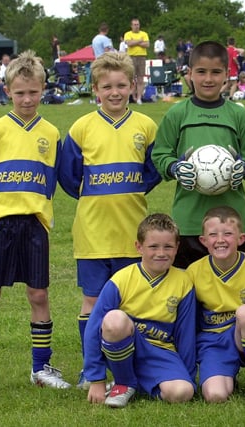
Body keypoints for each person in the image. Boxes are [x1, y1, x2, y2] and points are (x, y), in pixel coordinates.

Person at [0, 50, 70, 392]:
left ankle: (41, 368)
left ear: (43, 89)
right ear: (8, 91)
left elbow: (51, 182)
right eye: (20, 92)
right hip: (1, 224)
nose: (27, 98)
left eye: (33, 92)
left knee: (38, 294)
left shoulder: (50, 133)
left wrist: (37, 208)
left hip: (34, 224)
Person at [58, 51, 161, 389]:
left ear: (133, 86)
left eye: (121, 85)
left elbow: (153, 169)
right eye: (107, 87)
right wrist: (95, 197)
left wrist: (129, 190)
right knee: (92, 300)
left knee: (129, 301)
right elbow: (69, 176)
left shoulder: (145, 125)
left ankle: (126, 361)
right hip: (93, 232)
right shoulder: (81, 127)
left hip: (133, 232)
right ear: (95, 89)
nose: (115, 92)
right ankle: (92, 369)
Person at [152, 40, 245, 269]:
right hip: (189, 221)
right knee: (187, 292)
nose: (208, 79)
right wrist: (175, 168)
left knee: (237, 292)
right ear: (190, 73)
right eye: (201, 72)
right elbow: (160, 153)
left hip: (232, 222)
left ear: (227, 74)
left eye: (216, 72)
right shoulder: (177, 114)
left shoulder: (237, 115)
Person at [83, 213, 196, 408]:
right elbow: (94, 328)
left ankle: (139, 386)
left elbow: (186, 334)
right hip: (127, 349)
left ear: (177, 248)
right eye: (153, 247)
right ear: (139, 247)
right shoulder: (121, 279)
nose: (161, 253)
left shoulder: (184, 282)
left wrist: (187, 376)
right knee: (114, 319)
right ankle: (124, 382)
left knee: (182, 392)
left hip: (161, 352)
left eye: (168, 246)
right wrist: (96, 379)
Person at [186, 206, 245, 406]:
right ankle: (226, 372)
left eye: (228, 234)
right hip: (214, 342)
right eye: (213, 235)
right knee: (215, 395)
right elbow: (188, 321)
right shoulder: (193, 272)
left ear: (241, 239)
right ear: (203, 241)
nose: (220, 240)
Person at [124, 18, 150, 104]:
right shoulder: (128, 34)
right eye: (134, 25)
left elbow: (147, 44)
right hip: (131, 57)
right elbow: (129, 44)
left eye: (137, 24)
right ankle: (130, 97)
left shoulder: (144, 34)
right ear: (131, 26)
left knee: (140, 78)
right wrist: (139, 41)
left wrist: (134, 42)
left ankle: (139, 98)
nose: (136, 26)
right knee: (130, 78)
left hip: (141, 57)